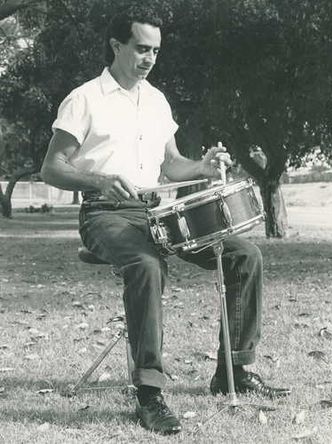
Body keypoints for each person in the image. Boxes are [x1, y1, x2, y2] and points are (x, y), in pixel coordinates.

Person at [41, 7, 290, 435]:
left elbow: (172, 165)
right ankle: (149, 392)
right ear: (116, 46)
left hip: (159, 212)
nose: (149, 58)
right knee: (147, 265)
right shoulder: (84, 99)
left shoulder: (156, 100)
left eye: (155, 50)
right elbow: (51, 167)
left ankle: (234, 371)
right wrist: (98, 181)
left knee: (245, 255)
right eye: (141, 49)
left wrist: (204, 167)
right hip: (106, 213)